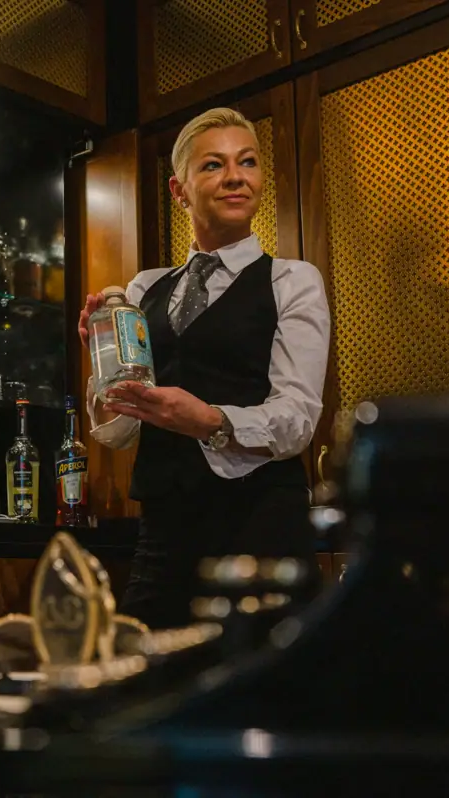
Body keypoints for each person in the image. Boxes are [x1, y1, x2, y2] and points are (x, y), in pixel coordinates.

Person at [78, 107, 330, 629]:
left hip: (260, 522)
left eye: (248, 162)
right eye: (213, 165)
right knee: (142, 681)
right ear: (180, 190)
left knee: (254, 692)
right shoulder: (144, 288)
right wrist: (104, 367)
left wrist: (210, 420)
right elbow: (122, 430)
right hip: (166, 523)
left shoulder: (292, 281)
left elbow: (298, 418)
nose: (236, 176)